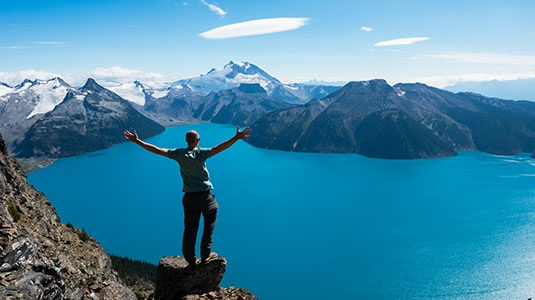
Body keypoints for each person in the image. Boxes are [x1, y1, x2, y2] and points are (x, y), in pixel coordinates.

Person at [123, 126, 252, 267]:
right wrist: (236, 138)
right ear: (198, 141)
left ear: (186, 140)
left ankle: (190, 259)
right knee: (209, 225)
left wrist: (137, 141)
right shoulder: (201, 153)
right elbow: (220, 148)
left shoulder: (178, 154)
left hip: (189, 198)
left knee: (190, 229)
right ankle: (205, 255)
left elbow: (157, 150)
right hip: (205, 197)